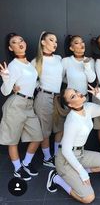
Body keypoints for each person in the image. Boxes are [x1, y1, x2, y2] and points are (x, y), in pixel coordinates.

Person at [46, 85, 100, 204]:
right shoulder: (72, 120)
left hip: (80, 153)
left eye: (76, 92)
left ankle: (77, 172)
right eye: (73, 96)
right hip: (65, 160)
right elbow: (66, 151)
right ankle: (56, 178)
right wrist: (82, 172)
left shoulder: (88, 108)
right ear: (70, 105)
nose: (78, 94)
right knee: (88, 198)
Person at [0, 33, 43, 181]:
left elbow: (31, 83)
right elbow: (5, 91)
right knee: (13, 140)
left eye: (21, 40)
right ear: (10, 48)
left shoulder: (29, 64)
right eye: (14, 42)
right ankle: (18, 168)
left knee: (37, 136)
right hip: (15, 105)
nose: (19, 43)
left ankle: (26, 163)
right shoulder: (12, 65)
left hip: (29, 105)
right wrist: (6, 78)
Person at [53, 35, 96, 140]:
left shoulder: (90, 61)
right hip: (70, 101)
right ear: (71, 48)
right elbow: (60, 78)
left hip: (84, 100)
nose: (81, 44)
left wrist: (86, 66)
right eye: (77, 43)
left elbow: (91, 79)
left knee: (82, 130)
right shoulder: (66, 61)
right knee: (65, 129)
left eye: (82, 42)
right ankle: (56, 153)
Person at [31, 31, 63, 167]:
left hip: (58, 97)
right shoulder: (36, 61)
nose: (55, 43)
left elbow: (61, 76)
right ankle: (47, 158)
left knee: (60, 128)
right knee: (45, 131)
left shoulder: (59, 58)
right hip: (44, 98)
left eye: (56, 41)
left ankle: (56, 156)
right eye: (51, 40)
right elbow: (30, 80)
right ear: (43, 42)